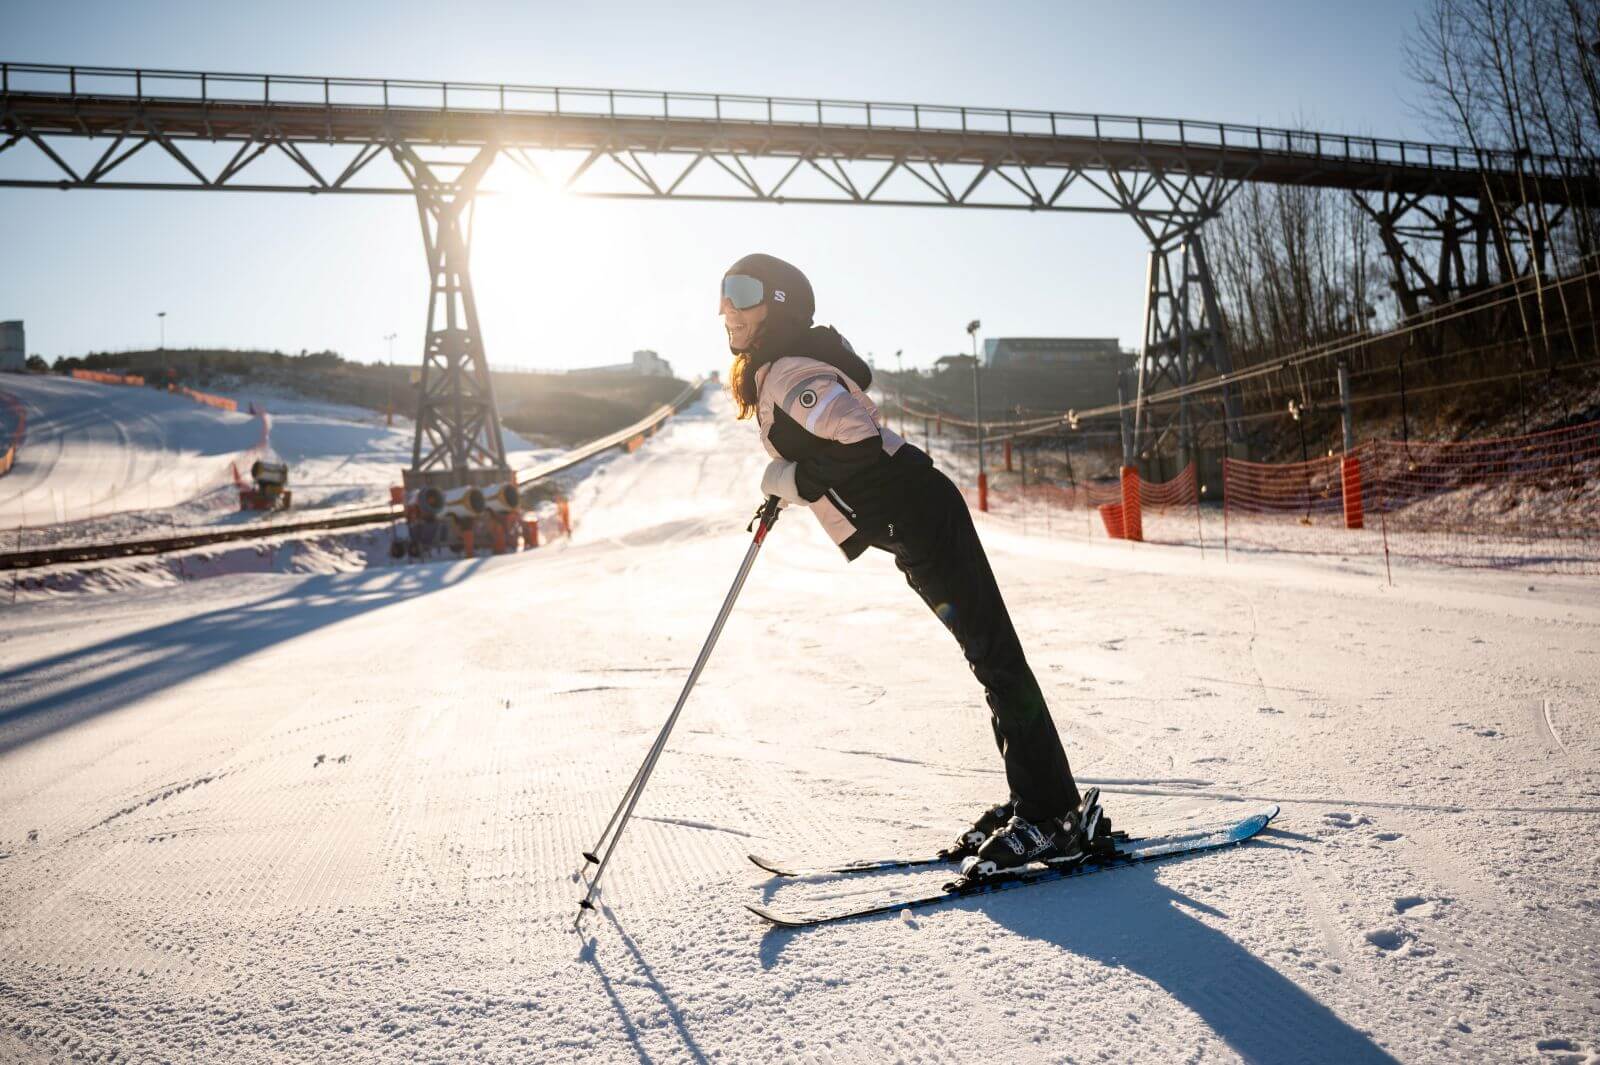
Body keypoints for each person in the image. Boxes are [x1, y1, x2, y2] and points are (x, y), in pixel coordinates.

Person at [719, 253, 1106, 878]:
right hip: (910, 522)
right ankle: (1035, 799)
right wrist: (791, 483)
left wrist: (796, 477)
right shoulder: (776, 374)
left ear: (780, 304)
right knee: (989, 657)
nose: (726, 309)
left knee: (996, 657)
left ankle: (1051, 814)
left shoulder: (791, 374)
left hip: (922, 513)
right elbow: (834, 452)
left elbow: (859, 437)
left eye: (741, 293)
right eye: (723, 295)